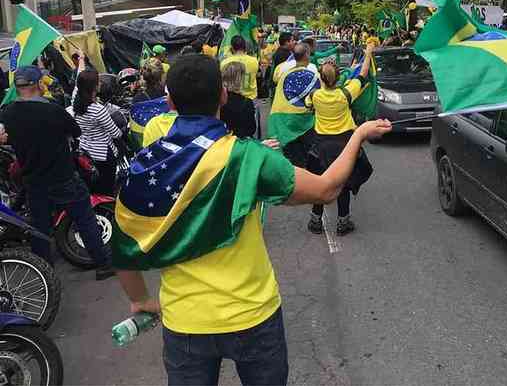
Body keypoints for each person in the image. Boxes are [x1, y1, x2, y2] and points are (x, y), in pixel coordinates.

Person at [114, 54, 391, 386]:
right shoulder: (247, 158)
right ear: (223, 95)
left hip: (185, 321)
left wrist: (139, 299)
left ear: (169, 101)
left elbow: (122, 245)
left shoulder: (145, 166)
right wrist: (358, 135)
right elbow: (328, 188)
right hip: (253, 316)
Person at [0, 66, 112, 279]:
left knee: (39, 232)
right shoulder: (53, 110)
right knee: (85, 219)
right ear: (38, 85)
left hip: (34, 182)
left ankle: (45, 277)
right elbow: (75, 132)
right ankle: (103, 264)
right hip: (63, 178)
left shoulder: (8, 113)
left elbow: (7, 138)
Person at [306, 43, 374, 236]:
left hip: (321, 145)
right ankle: (343, 223)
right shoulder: (346, 93)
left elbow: (307, 105)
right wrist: (368, 53)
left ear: (321, 78)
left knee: (321, 183)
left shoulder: (315, 96)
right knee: (342, 184)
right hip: (345, 145)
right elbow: (364, 72)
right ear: (338, 78)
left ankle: (315, 221)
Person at [68, 69, 123, 195]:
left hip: (85, 149)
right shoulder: (98, 110)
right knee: (107, 186)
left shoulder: (75, 101)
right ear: (94, 87)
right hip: (103, 153)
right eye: (98, 82)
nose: (101, 84)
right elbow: (116, 133)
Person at [268, 43, 318, 168]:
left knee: (289, 159)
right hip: (304, 122)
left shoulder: (283, 71)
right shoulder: (313, 72)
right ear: (307, 55)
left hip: (282, 120)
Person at [220, 61, 257, 138]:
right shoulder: (246, 103)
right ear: (240, 79)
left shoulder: (217, 100)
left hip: (221, 142)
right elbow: (251, 129)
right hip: (241, 143)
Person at [220, 36, 259, 100]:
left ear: (232, 47)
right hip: (251, 98)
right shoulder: (254, 61)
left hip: (233, 99)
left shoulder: (224, 63)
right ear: (244, 47)